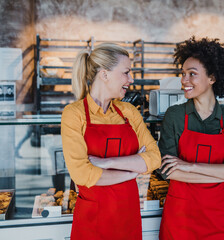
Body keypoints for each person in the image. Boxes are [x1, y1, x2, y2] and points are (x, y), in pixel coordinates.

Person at [158, 37, 224, 240]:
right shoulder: (174, 115)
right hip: (180, 220)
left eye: (192, 74)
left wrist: (188, 166)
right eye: (183, 74)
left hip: (217, 220)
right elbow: (166, 171)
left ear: (212, 77)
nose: (184, 80)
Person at [61, 43, 161, 240]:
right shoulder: (74, 114)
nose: (130, 80)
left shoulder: (129, 112)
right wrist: (132, 171)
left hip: (128, 215)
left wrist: (108, 163)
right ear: (105, 75)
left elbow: (154, 158)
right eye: (126, 72)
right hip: (92, 219)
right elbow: (82, 174)